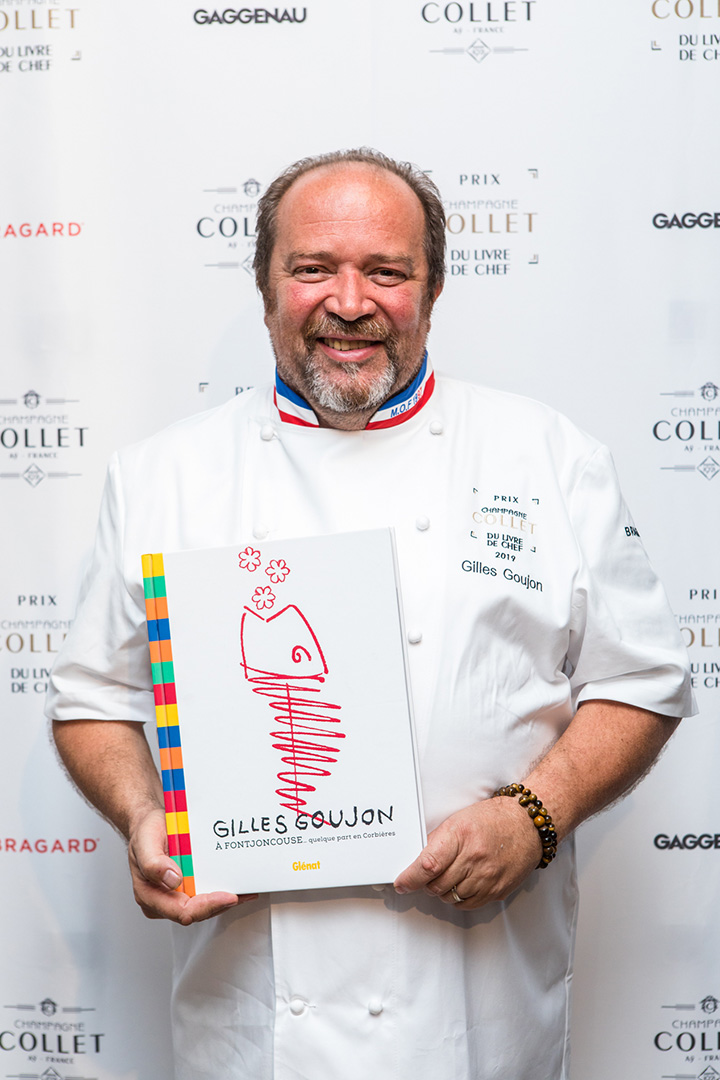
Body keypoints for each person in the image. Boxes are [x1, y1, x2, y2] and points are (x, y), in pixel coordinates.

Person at [47, 148, 693, 1080]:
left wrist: (536, 816)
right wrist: (145, 814)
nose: (349, 303)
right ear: (265, 287)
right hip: (254, 1031)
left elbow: (642, 679)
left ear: (433, 290)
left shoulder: (548, 457)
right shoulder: (162, 477)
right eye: (313, 268)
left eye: (387, 272)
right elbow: (92, 699)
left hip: (473, 1015)